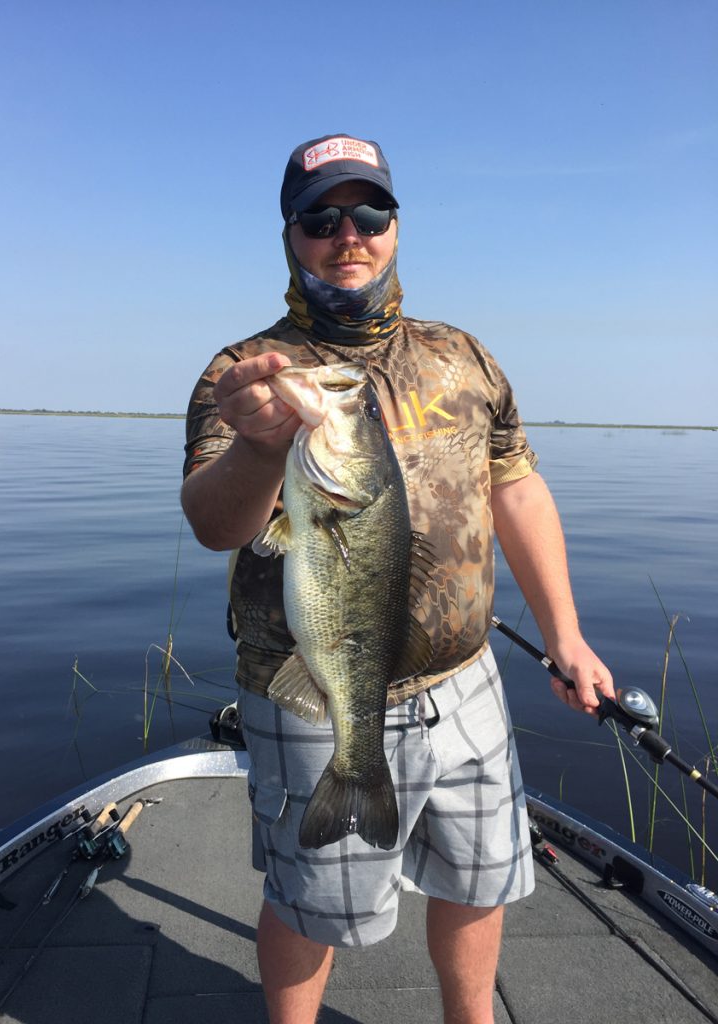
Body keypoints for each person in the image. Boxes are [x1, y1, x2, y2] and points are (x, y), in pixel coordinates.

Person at [181, 133, 614, 1024]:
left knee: (481, 878)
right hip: (314, 688)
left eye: (370, 213)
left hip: (467, 681)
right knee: (313, 901)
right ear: (290, 236)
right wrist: (260, 447)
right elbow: (215, 526)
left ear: (396, 226)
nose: (349, 234)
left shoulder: (463, 355)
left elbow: (517, 488)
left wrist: (565, 635)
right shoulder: (245, 373)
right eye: (321, 219)